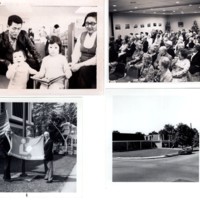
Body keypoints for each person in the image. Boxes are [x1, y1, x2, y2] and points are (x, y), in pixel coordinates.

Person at [0, 15, 41, 88]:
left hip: (22, 61)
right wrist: (7, 63)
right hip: (7, 63)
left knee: (35, 64)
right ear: (8, 26)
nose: (16, 32)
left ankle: (30, 90)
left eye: (19, 29)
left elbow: (33, 51)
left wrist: (42, 65)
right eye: (14, 28)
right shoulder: (1, 37)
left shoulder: (23, 34)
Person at [69, 12, 97, 89]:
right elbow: (76, 52)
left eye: (93, 24)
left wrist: (79, 65)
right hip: (80, 64)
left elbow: (97, 59)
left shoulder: (100, 36)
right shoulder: (82, 35)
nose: (89, 26)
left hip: (94, 67)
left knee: (83, 71)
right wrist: (74, 63)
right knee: (70, 71)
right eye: (87, 23)